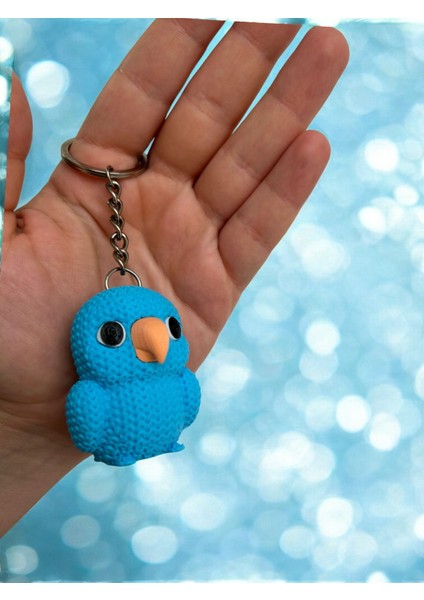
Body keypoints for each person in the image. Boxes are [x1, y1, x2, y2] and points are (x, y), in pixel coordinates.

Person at [0, 18, 349, 537]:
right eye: (113, 336)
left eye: (169, 328)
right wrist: (13, 426)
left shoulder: (177, 379)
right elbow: (83, 422)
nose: (155, 340)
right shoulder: (94, 395)